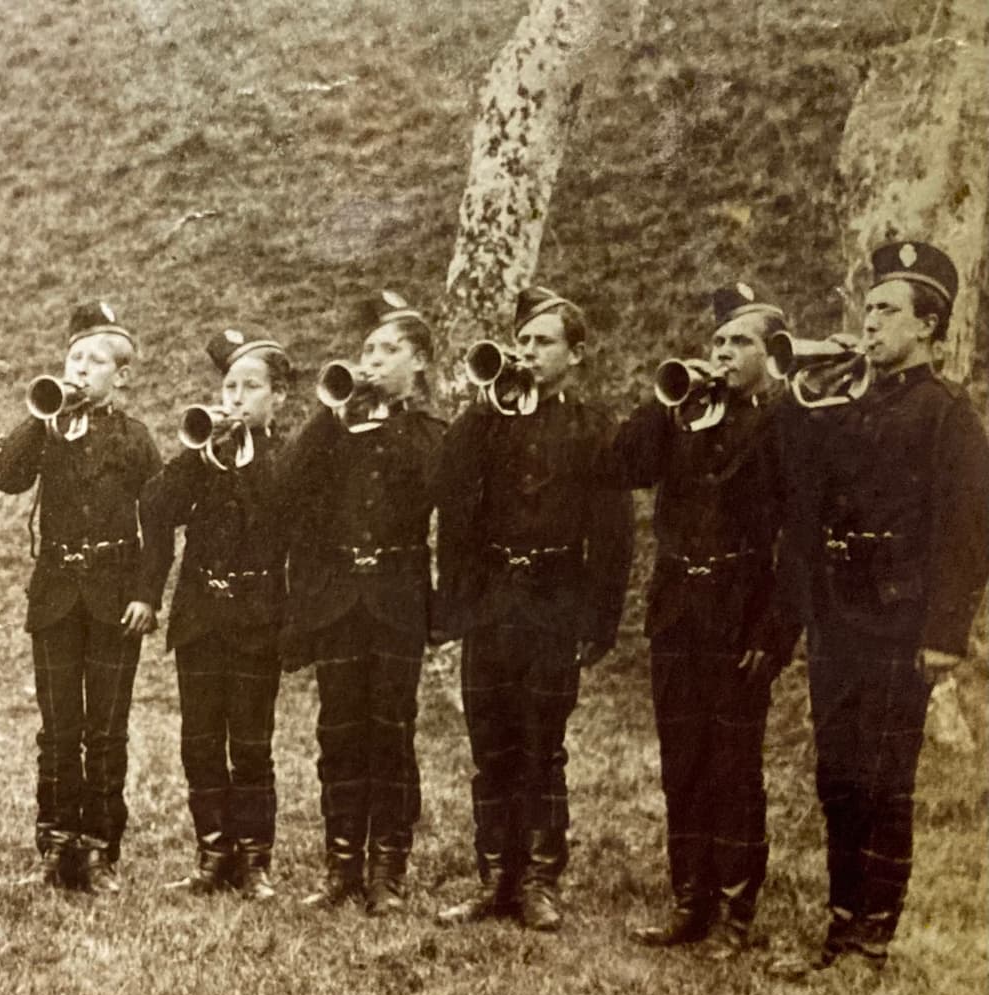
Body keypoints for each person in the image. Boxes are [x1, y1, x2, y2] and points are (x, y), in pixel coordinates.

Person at [770, 241, 989, 975]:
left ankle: (874, 935)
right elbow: (795, 480)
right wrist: (800, 391)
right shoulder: (844, 400)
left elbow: (967, 533)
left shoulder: (949, 412)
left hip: (901, 621)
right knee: (837, 774)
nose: (868, 324)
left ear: (928, 326)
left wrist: (943, 635)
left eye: (886, 311)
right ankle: (839, 925)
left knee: (885, 778)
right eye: (866, 310)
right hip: (839, 616)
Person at [606, 282, 796, 957]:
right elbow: (623, 464)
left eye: (738, 342)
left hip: (741, 613)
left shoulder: (785, 420)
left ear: (770, 353)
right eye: (716, 342)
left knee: (733, 766)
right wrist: (667, 403)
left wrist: (775, 632)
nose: (721, 354)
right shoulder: (685, 411)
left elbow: (797, 540)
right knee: (682, 760)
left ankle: (735, 913)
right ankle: (690, 899)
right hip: (679, 610)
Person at [435, 286, 632, 932]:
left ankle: (541, 879)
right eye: (523, 340)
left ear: (575, 354)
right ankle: (495, 877)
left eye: (543, 341)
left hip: (554, 602)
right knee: (490, 743)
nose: (528, 351)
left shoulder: (593, 427)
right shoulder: (490, 421)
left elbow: (612, 533)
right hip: (493, 603)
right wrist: (484, 402)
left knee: (542, 745)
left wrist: (598, 620)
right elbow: (450, 492)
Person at [276, 292, 444, 915]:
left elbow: (434, 486)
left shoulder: (427, 433)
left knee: (392, 734)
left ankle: (388, 873)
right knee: (339, 733)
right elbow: (285, 486)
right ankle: (341, 867)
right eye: (367, 350)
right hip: (339, 603)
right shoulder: (335, 431)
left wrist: (389, 417)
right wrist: (331, 412)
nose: (371, 361)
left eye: (388, 350)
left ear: (418, 362)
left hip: (397, 599)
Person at [0, 300, 161, 893]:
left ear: (122, 375)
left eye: (96, 361)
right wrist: (41, 417)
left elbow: (157, 525)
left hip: (116, 598)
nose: (82, 370)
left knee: (106, 729)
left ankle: (99, 848)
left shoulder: (135, 440)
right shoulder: (48, 430)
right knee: (58, 726)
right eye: (74, 358)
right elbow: (2, 474)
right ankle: (56, 843)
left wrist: (146, 595)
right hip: (57, 596)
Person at [138, 327, 291, 900]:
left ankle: (255, 860)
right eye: (230, 387)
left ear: (278, 397)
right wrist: (198, 453)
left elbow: (282, 510)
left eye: (251, 388)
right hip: (201, 616)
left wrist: (243, 457)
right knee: (199, 740)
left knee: (251, 742)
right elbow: (154, 505)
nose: (235, 399)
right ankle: (213, 852)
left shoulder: (284, 457)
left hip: (257, 617)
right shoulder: (203, 457)